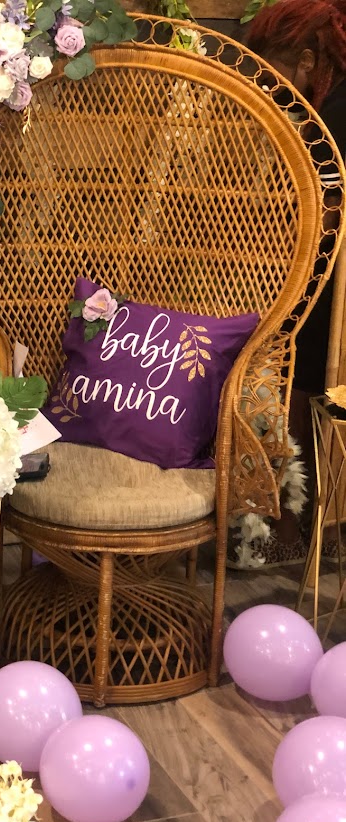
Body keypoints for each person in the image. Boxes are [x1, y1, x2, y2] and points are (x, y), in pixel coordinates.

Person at [239, 0, 346, 567]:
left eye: (275, 72)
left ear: (306, 60)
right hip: (322, 266)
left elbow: (325, 203)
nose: (270, 86)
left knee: (303, 378)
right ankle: (303, 523)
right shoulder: (322, 103)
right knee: (299, 377)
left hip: (331, 271)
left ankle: (298, 525)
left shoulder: (336, 113)